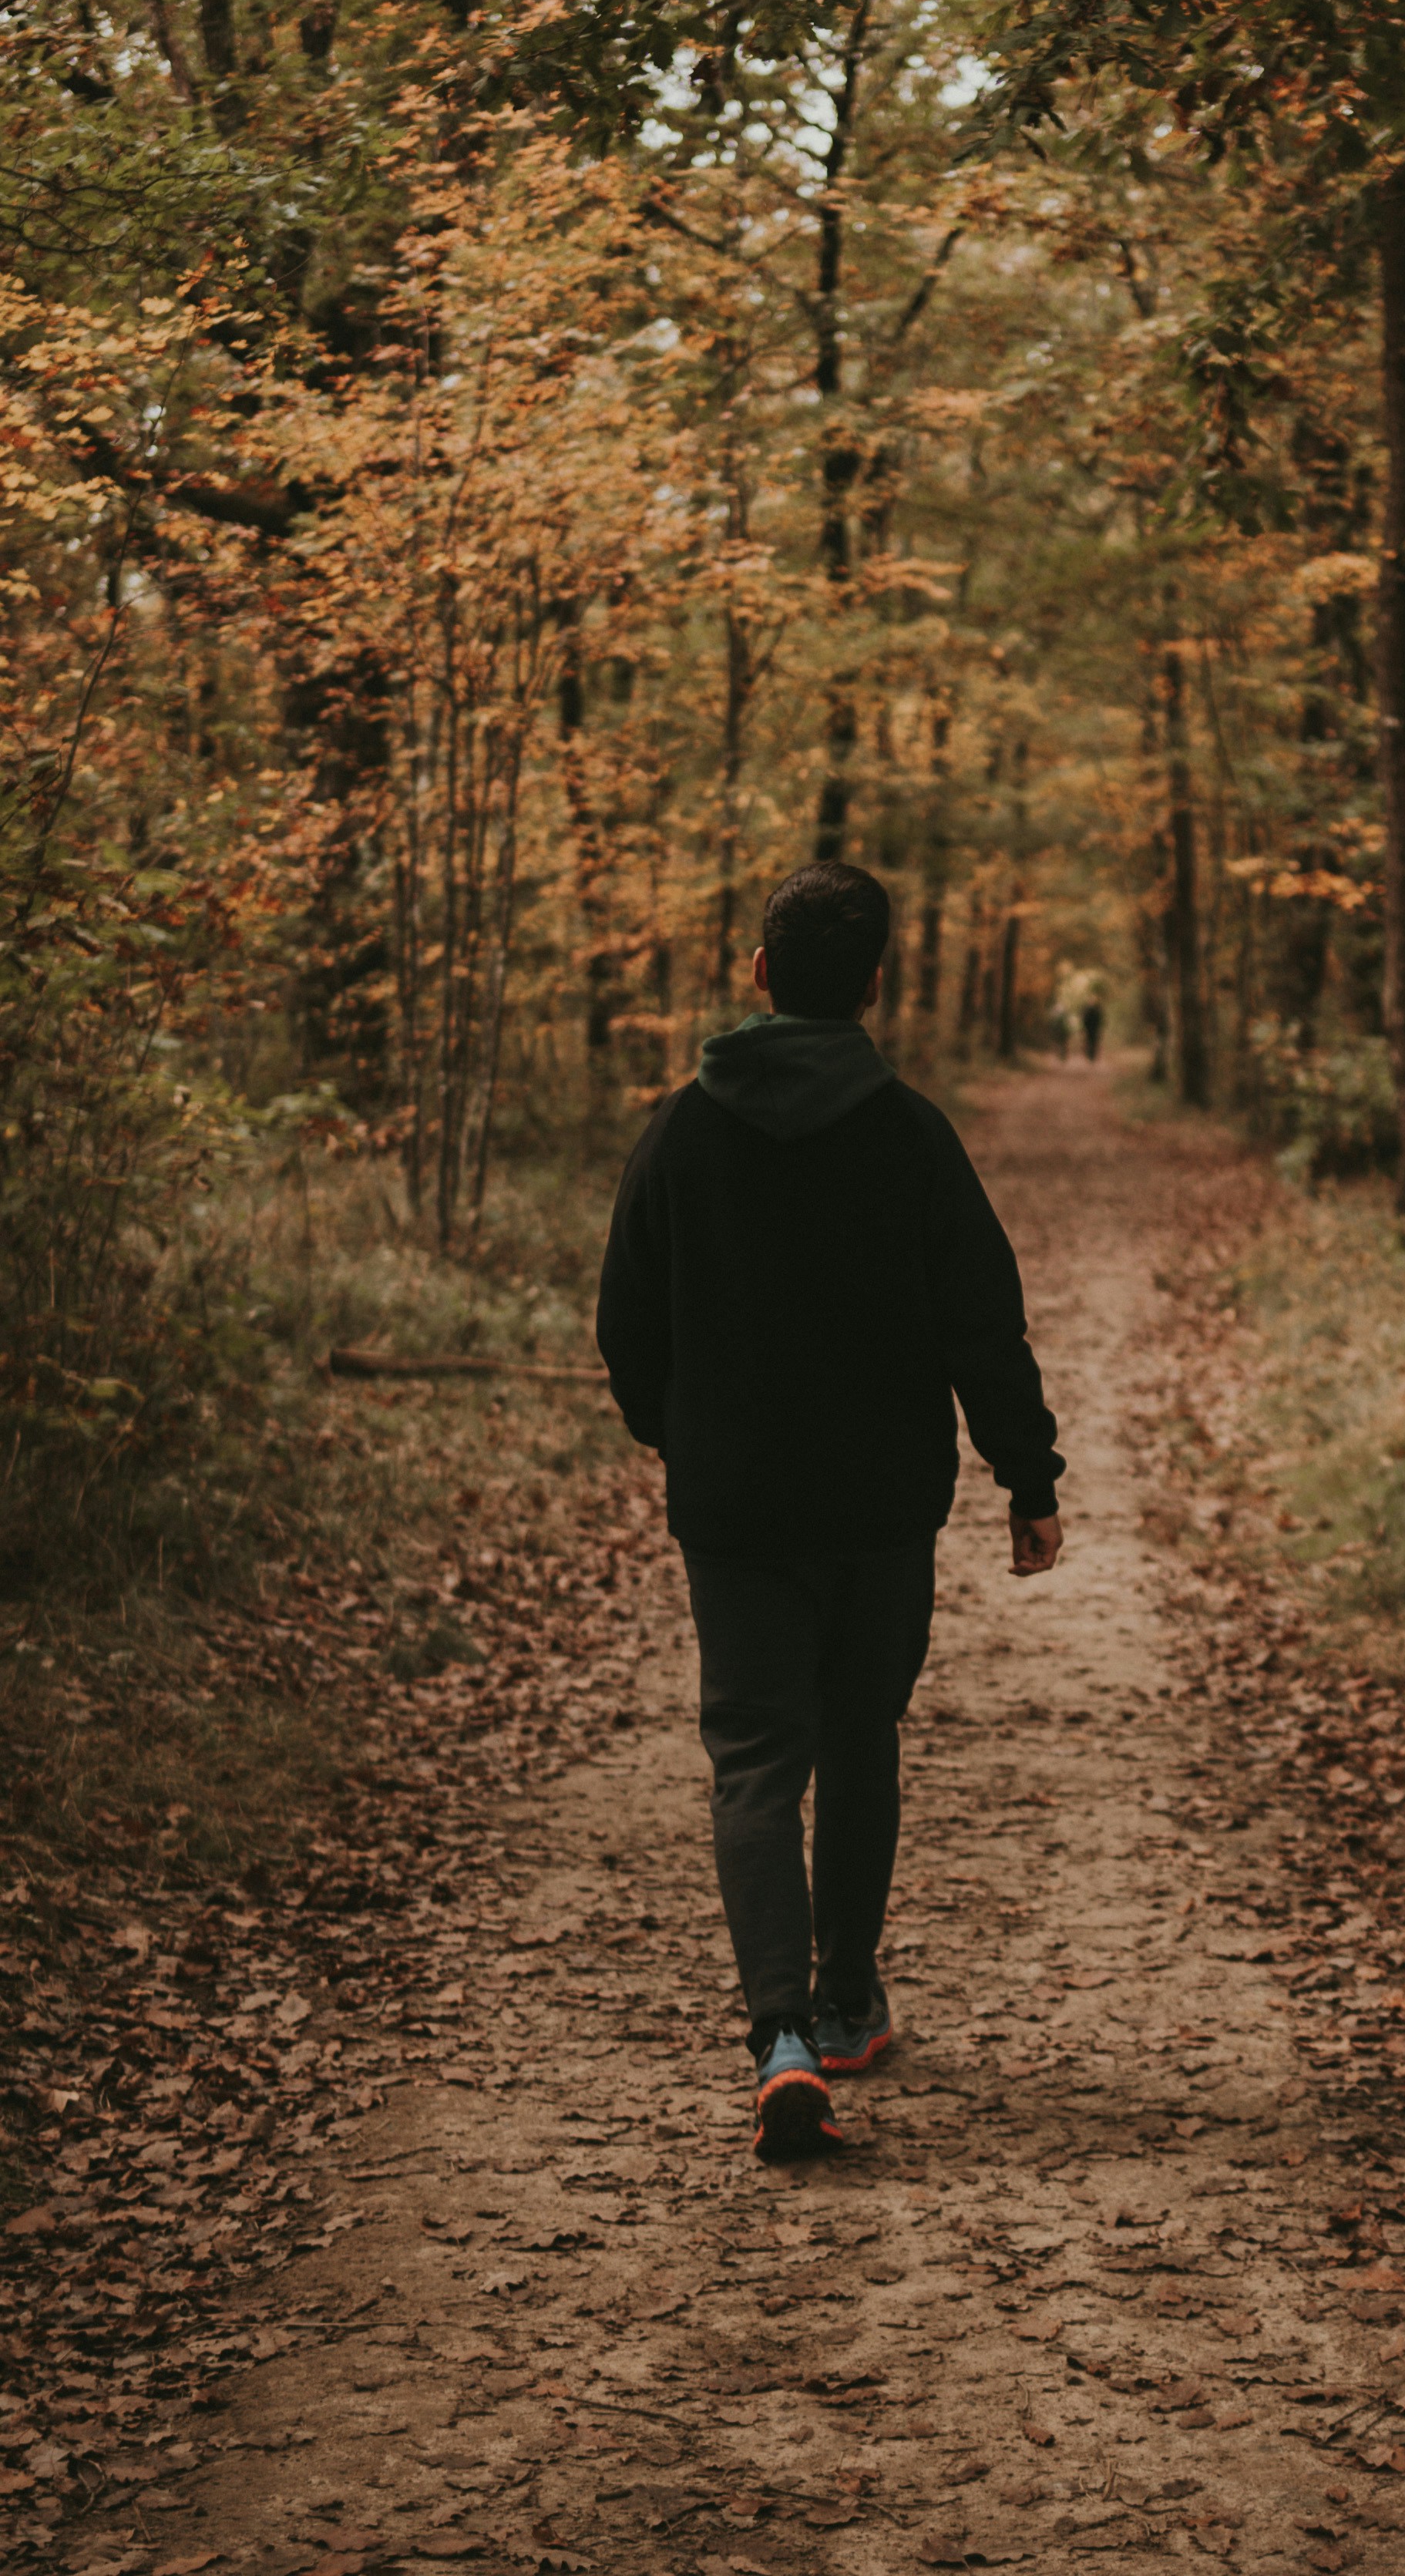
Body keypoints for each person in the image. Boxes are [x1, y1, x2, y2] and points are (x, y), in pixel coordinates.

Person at [596, 862, 1066, 2163]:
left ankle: (781, 2038)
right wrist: (1029, 1480)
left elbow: (625, 1324)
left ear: (759, 975)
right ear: (873, 985)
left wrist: (678, 1432)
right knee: (860, 1734)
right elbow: (985, 1321)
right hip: (878, 1508)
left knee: (755, 1758)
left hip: (737, 1503)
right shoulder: (911, 1135)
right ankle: (850, 2001)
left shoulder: (682, 1132)